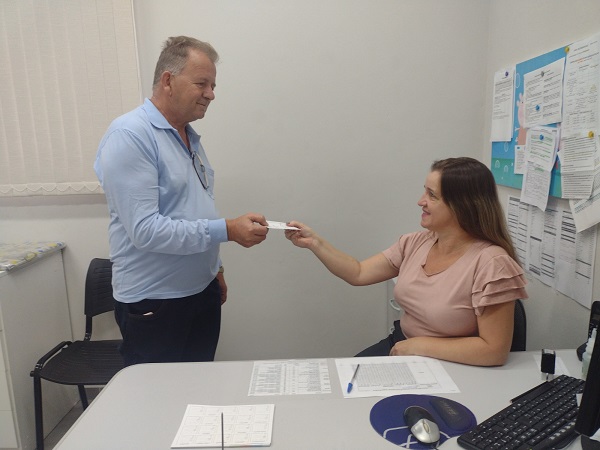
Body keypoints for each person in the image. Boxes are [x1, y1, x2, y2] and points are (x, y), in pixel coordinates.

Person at [94, 36, 269, 367]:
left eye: (213, 85)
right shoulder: (130, 135)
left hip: (200, 291)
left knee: (196, 389)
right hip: (156, 302)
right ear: (168, 81)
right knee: (157, 395)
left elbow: (193, 207)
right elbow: (145, 230)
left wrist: (214, 269)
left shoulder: (187, 136)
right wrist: (228, 230)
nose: (211, 94)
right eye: (202, 83)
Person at [285, 157, 527, 366]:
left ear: (462, 206)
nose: (421, 201)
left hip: (451, 363)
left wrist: (420, 346)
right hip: (404, 346)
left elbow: (494, 350)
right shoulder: (415, 243)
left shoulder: (492, 263)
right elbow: (358, 272)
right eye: (425, 191)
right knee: (346, 378)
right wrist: (314, 242)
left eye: (432, 195)